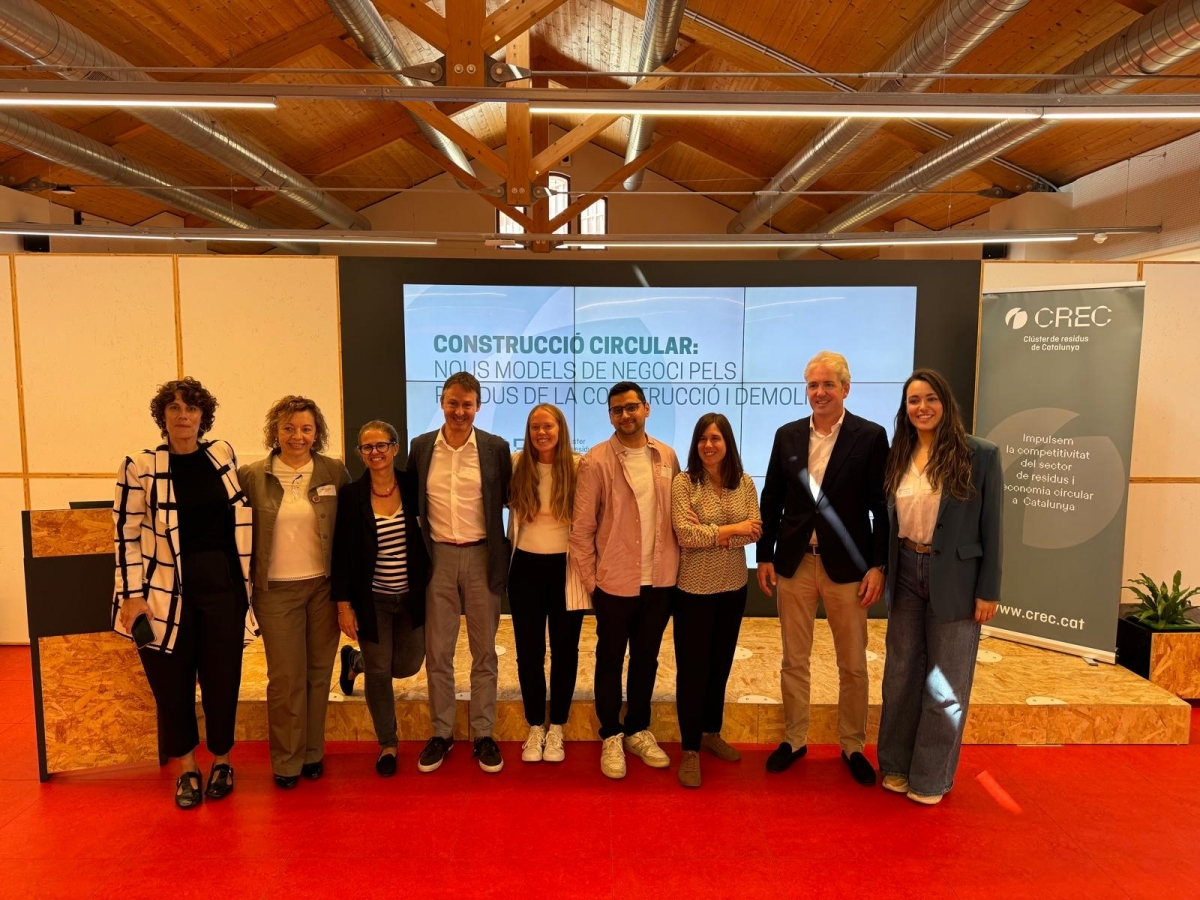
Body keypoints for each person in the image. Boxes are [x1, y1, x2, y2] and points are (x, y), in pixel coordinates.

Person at [112, 377, 257, 809]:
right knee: (172, 686)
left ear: (203, 417)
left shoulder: (222, 454)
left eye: (191, 408)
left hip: (223, 589)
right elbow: (125, 535)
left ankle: (223, 761)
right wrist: (131, 594)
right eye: (174, 408)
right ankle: (187, 768)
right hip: (164, 594)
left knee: (222, 681)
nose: (183, 416)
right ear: (162, 417)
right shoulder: (140, 466)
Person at [757, 351, 889, 786]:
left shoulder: (870, 436)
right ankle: (794, 740)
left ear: (846, 389)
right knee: (794, 660)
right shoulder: (787, 435)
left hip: (848, 569)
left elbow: (881, 508)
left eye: (828, 384)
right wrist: (764, 555)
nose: (820, 392)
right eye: (813, 385)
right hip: (795, 563)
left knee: (852, 664)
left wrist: (879, 565)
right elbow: (772, 498)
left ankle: (852, 745)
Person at [877, 369, 1002, 805]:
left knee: (945, 681)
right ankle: (895, 765)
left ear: (945, 402)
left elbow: (993, 527)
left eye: (930, 398)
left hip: (958, 579)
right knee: (900, 676)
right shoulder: (898, 453)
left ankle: (930, 777)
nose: (922, 407)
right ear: (905, 408)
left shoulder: (980, 455)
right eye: (914, 400)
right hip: (906, 570)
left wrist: (989, 590)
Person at [238, 396, 349, 789]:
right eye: (288, 428)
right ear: (276, 431)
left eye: (305, 429)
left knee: (318, 674)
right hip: (275, 591)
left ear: (317, 433)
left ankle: (312, 753)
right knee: (286, 678)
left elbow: (350, 531)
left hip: (324, 588)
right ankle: (287, 759)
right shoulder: (252, 475)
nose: (297, 436)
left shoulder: (334, 471)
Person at [571, 381, 680, 779]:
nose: (625, 415)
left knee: (646, 658)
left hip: (661, 580)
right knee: (610, 658)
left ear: (646, 408)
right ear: (610, 416)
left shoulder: (667, 455)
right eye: (617, 410)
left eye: (631, 407)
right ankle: (611, 733)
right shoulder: (596, 461)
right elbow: (581, 530)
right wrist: (593, 582)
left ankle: (637, 728)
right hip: (614, 583)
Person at [408, 372, 512, 773]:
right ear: (442, 402)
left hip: (482, 556)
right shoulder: (421, 447)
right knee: (438, 653)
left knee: (484, 652)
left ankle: (483, 733)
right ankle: (442, 733)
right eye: (453, 403)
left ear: (478, 407)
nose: (459, 411)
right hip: (438, 558)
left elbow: (509, 498)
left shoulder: (495, 448)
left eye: (467, 404)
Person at [332, 420, 430, 776]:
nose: (375, 452)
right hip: (371, 600)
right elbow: (341, 553)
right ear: (360, 453)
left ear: (395, 448)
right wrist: (344, 606)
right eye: (367, 447)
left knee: (406, 666)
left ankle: (355, 661)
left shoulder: (414, 486)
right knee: (379, 672)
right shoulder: (351, 495)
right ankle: (388, 743)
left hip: (411, 598)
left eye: (381, 445)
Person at [670, 413, 761, 789]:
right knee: (692, 671)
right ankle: (690, 748)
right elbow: (684, 535)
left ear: (727, 443)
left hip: (733, 588)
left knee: (719, 666)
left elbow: (755, 530)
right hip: (693, 591)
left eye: (716, 438)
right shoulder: (684, 483)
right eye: (703, 439)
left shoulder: (745, 482)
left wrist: (713, 532)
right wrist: (732, 530)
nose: (709, 445)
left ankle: (711, 732)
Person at [508, 404, 590, 763]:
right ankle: (534, 726)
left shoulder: (579, 466)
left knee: (565, 650)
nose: (541, 433)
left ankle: (557, 726)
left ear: (561, 429)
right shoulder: (517, 464)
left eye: (548, 426)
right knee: (528, 652)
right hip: (524, 569)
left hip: (566, 569)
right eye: (535, 427)